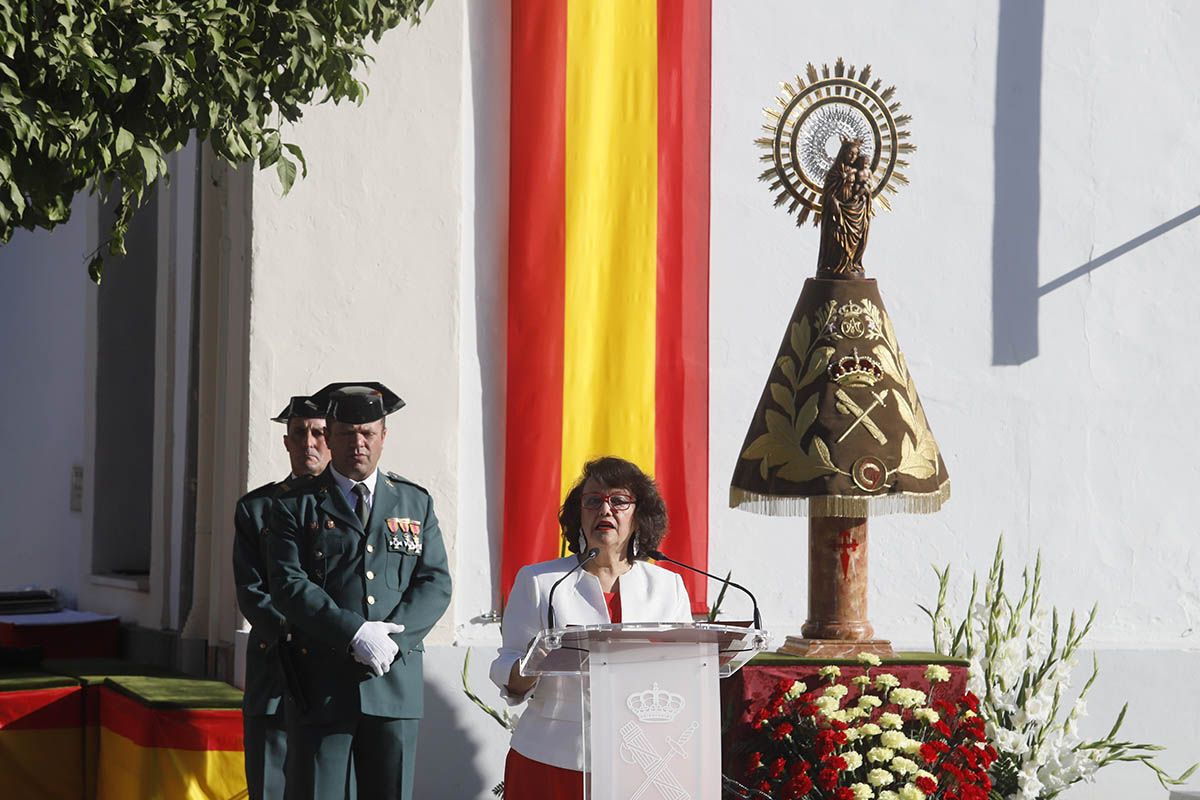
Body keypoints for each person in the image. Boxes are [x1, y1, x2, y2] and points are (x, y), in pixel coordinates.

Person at [267, 382, 452, 800]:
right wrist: (353, 632)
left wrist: (393, 641)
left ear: (384, 437)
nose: (358, 444)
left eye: (368, 433)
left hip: (393, 682)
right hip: (320, 684)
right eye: (347, 434)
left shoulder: (413, 502)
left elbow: (435, 582)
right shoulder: (295, 504)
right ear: (329, 436)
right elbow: (288, 584)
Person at [489, 456, 692, 800]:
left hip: (641, 760)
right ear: (579, 514)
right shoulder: (542, 581)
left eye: (619, 501)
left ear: (638, 514)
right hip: (552, 757)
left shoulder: (667, 586)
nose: (605, 510)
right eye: (593, 500)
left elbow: (686, 672)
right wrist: (532, 665)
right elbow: (507, 666)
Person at [233, 394, 330, 800]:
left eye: (319, 433)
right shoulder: (257, 508)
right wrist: (301, 636)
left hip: (333, 670)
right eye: (299, 433)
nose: (309, 442)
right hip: (278, 663)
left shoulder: (354, 505)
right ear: (286, 442)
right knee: (272, 783)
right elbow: (253, 592)